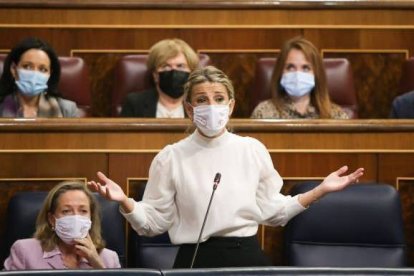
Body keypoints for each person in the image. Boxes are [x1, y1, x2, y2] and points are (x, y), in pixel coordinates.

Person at [88, 66, 364, 268]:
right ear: (189, 108)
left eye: (219, 99)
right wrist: (125, 201)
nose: (211, 106)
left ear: (230, 106)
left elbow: (274, 212)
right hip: (194, 260)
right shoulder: (171, 157)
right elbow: (152, 223)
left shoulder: (251, 149)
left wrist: (321, 190)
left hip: (244, 258)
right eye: (202, 100)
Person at [4, 181, 121, 270]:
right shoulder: (24, 251)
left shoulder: (109, 259)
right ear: (51, 219)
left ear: (91, 218)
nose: (75, 217)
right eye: (66, 211)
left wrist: (97, 265)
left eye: (83, 211)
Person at [251, 37, 348, 119]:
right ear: (280, 72)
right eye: (290, 67)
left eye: (306, 68)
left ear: (316, 74)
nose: (297, 74)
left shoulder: (336, 116)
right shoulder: (263, 114)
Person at [0, 37, 79, 118]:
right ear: (13, 69)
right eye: (27, 67)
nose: (35, 74)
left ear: (49, 74)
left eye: (43, 69)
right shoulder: (2, 107)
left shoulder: (67, 110)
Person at [120, 38, 199, 118]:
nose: (174, 72)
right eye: (166, 66)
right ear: (155, 74)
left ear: (191, 73)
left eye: (180, 66)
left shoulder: (199, 104)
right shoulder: (135, 103)